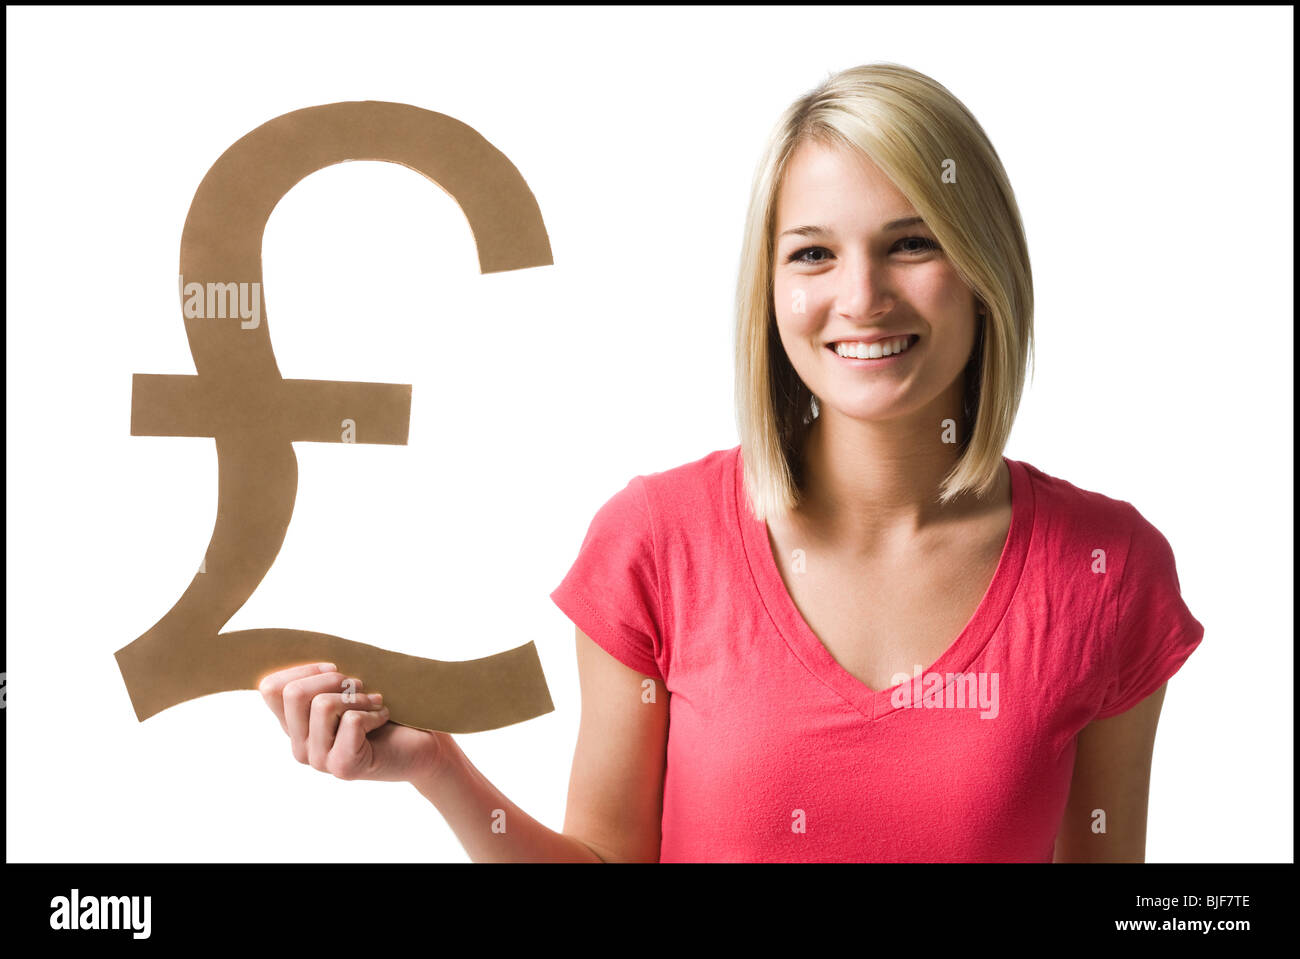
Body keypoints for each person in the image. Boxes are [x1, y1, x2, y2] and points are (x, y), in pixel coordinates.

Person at [258, 62, 1203, 862]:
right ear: (771, 287)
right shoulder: (657, 542)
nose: (862, 296)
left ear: (986, 268)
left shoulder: (1109, 572)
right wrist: (438, 770)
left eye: (912, 244)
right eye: (814, 254)